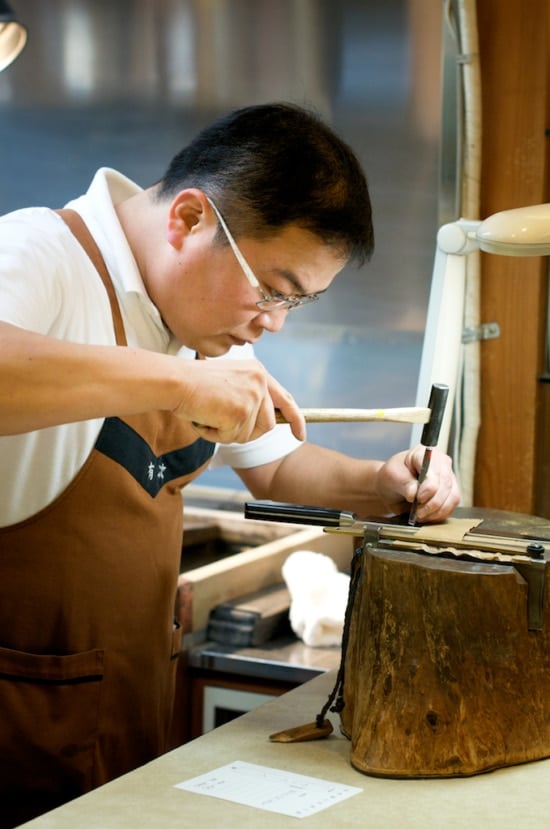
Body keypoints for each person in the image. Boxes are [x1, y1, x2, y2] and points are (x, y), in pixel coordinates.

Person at [0, 102, 460, 826]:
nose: (273, 322)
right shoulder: (38, 254)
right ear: (189, 219)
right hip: (18, 726)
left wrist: (385, 482)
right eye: (273, 290)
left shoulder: (206, 327)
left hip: (126, 717)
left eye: (297, 303)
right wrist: (179, 382)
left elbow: (279, 469)